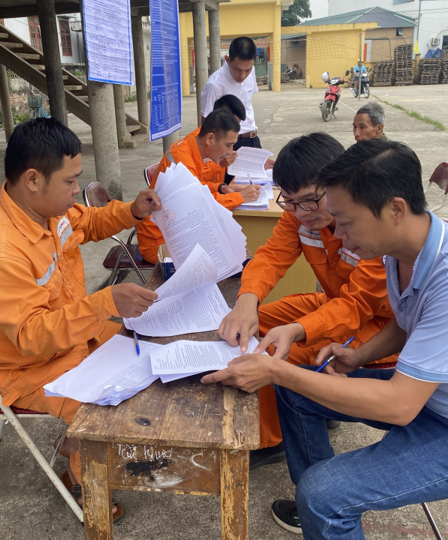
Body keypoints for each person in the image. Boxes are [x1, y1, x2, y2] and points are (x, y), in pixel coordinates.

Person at [203, 139, 448, 538]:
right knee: (299, 398)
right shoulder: (400, 250)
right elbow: (406, 322)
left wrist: (278, 372)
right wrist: (359, 356)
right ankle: (331, 505)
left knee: (319, 486)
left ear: (395, 209)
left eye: (346, 223)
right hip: (439, 398)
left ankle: (326, 502)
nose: (340, 238)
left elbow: (399, 405)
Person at [0, 118, 163, 522]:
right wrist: (106, 301)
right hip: (27, 367)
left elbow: (88, 223)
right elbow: (32, 338)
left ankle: (73, 443)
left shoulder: (49, 211)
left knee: (151, 347)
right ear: (33, 179)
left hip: (72, 335)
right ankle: (80, 473)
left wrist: (132, 212)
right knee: (110, 403)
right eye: (71, 182)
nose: (77, 191)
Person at [218, 133, 396, 470]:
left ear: (340, 187)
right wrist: (246, 300)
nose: (301, 213)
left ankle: (273, 439)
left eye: (312, 201)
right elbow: (271, 256)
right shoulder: (300, 213)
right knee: (256, 322)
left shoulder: (370, 229)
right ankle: (315, 408)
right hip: (329, 303)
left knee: (274, 354)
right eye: (291, 202)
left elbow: (356, 307)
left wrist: (299, 331)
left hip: (377, 327)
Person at [136, 109, 261, 264]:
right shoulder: (183, 159)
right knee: (224, 256)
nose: (230, 152)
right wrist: (240, 197)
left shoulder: (191, 148)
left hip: (175, 231)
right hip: (159, 242)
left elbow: (194, 188)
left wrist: (220, 188)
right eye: (228, 145)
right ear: (210, 138)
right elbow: (198, 205)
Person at [200, 36, 274, 180]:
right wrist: (219, 154)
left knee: (260, 186)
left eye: (248, 70)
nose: (243, 75)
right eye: (237, 69)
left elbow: (247, 104)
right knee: (232, 189)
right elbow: (206, 125)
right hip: (231, 145)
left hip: (252, 139)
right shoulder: (215, 85)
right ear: (227, 60)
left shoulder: (249, 73)